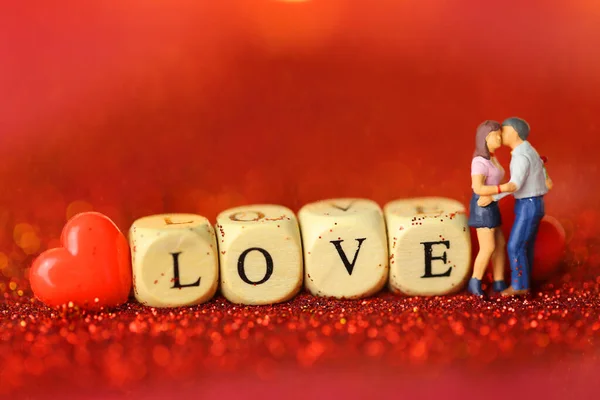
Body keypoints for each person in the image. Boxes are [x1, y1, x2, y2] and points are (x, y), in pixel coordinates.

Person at [477, 117, 549, 296]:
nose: (501, 134)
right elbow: (541, 164)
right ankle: (526, 281)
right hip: (531, 203)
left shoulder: (521, 156)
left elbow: (514, 185)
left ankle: (520, 286)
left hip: (528, 204)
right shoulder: (529, 150)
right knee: (526, 245)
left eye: (504, 131)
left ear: (514, 133)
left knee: (515, 246)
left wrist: (492, 196)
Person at [467, 120, 516, 297]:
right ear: (486, 138)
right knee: (487, 247)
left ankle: (499, 280)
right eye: (497, 135)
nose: (500, 138)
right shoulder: (479, 162)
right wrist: (503, 188)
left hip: (492, 203)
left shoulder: (492, 157)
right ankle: (475, 281)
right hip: (482, 205)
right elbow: (477, 188)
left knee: (500, 245)